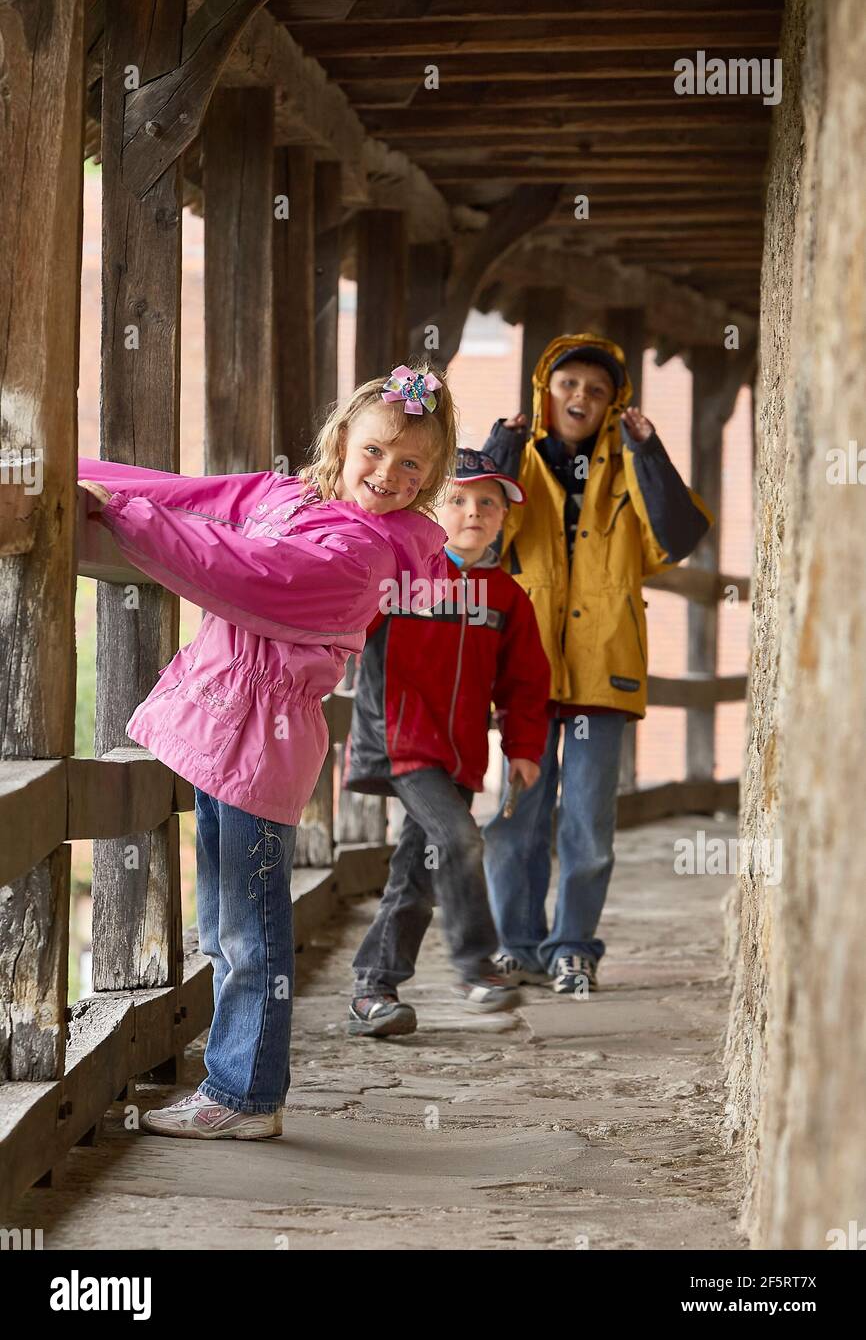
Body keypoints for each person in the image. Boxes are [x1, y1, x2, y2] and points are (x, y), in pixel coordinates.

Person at [77, 362, 456, 1138]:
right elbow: (181, 493)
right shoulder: (283, 495)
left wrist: (127, 519)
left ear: (429, 480)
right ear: (344, 439)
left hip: (264, 748)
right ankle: (236, 1085)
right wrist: (67, 476)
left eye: (411, 465)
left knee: (251, 929)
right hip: (225, 734)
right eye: (377, 451)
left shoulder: (365, 558)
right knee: (221, 922)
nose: (387, 474)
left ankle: (246, 1096)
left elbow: (247, 574)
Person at [481, 334, 713, 994]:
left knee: (587, 824)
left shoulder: (629, 469)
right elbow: (476, 536)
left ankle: (573, 947)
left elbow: (679, 537)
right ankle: (518, 945)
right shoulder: (517, 465)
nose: (580, 396)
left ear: (614, 405)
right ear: (545, 395)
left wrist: (649, 451)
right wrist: (500, 449)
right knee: (516, 820)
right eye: (568, 386)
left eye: (597, 390)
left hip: (602, 675)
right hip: (526, 673)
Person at [344, 448, 551, 1036]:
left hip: (461, 757)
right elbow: (345, 616)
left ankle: (372, 992)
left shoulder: (508, 598)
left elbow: (526, 683)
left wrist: (524, 749)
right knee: (461, 839)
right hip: (400, 739)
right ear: (433, 508)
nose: (474, 512)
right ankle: (478, 966)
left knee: (418, 870)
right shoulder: (400, 577)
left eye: (488, 503)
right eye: (458, 500)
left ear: (504, 519)